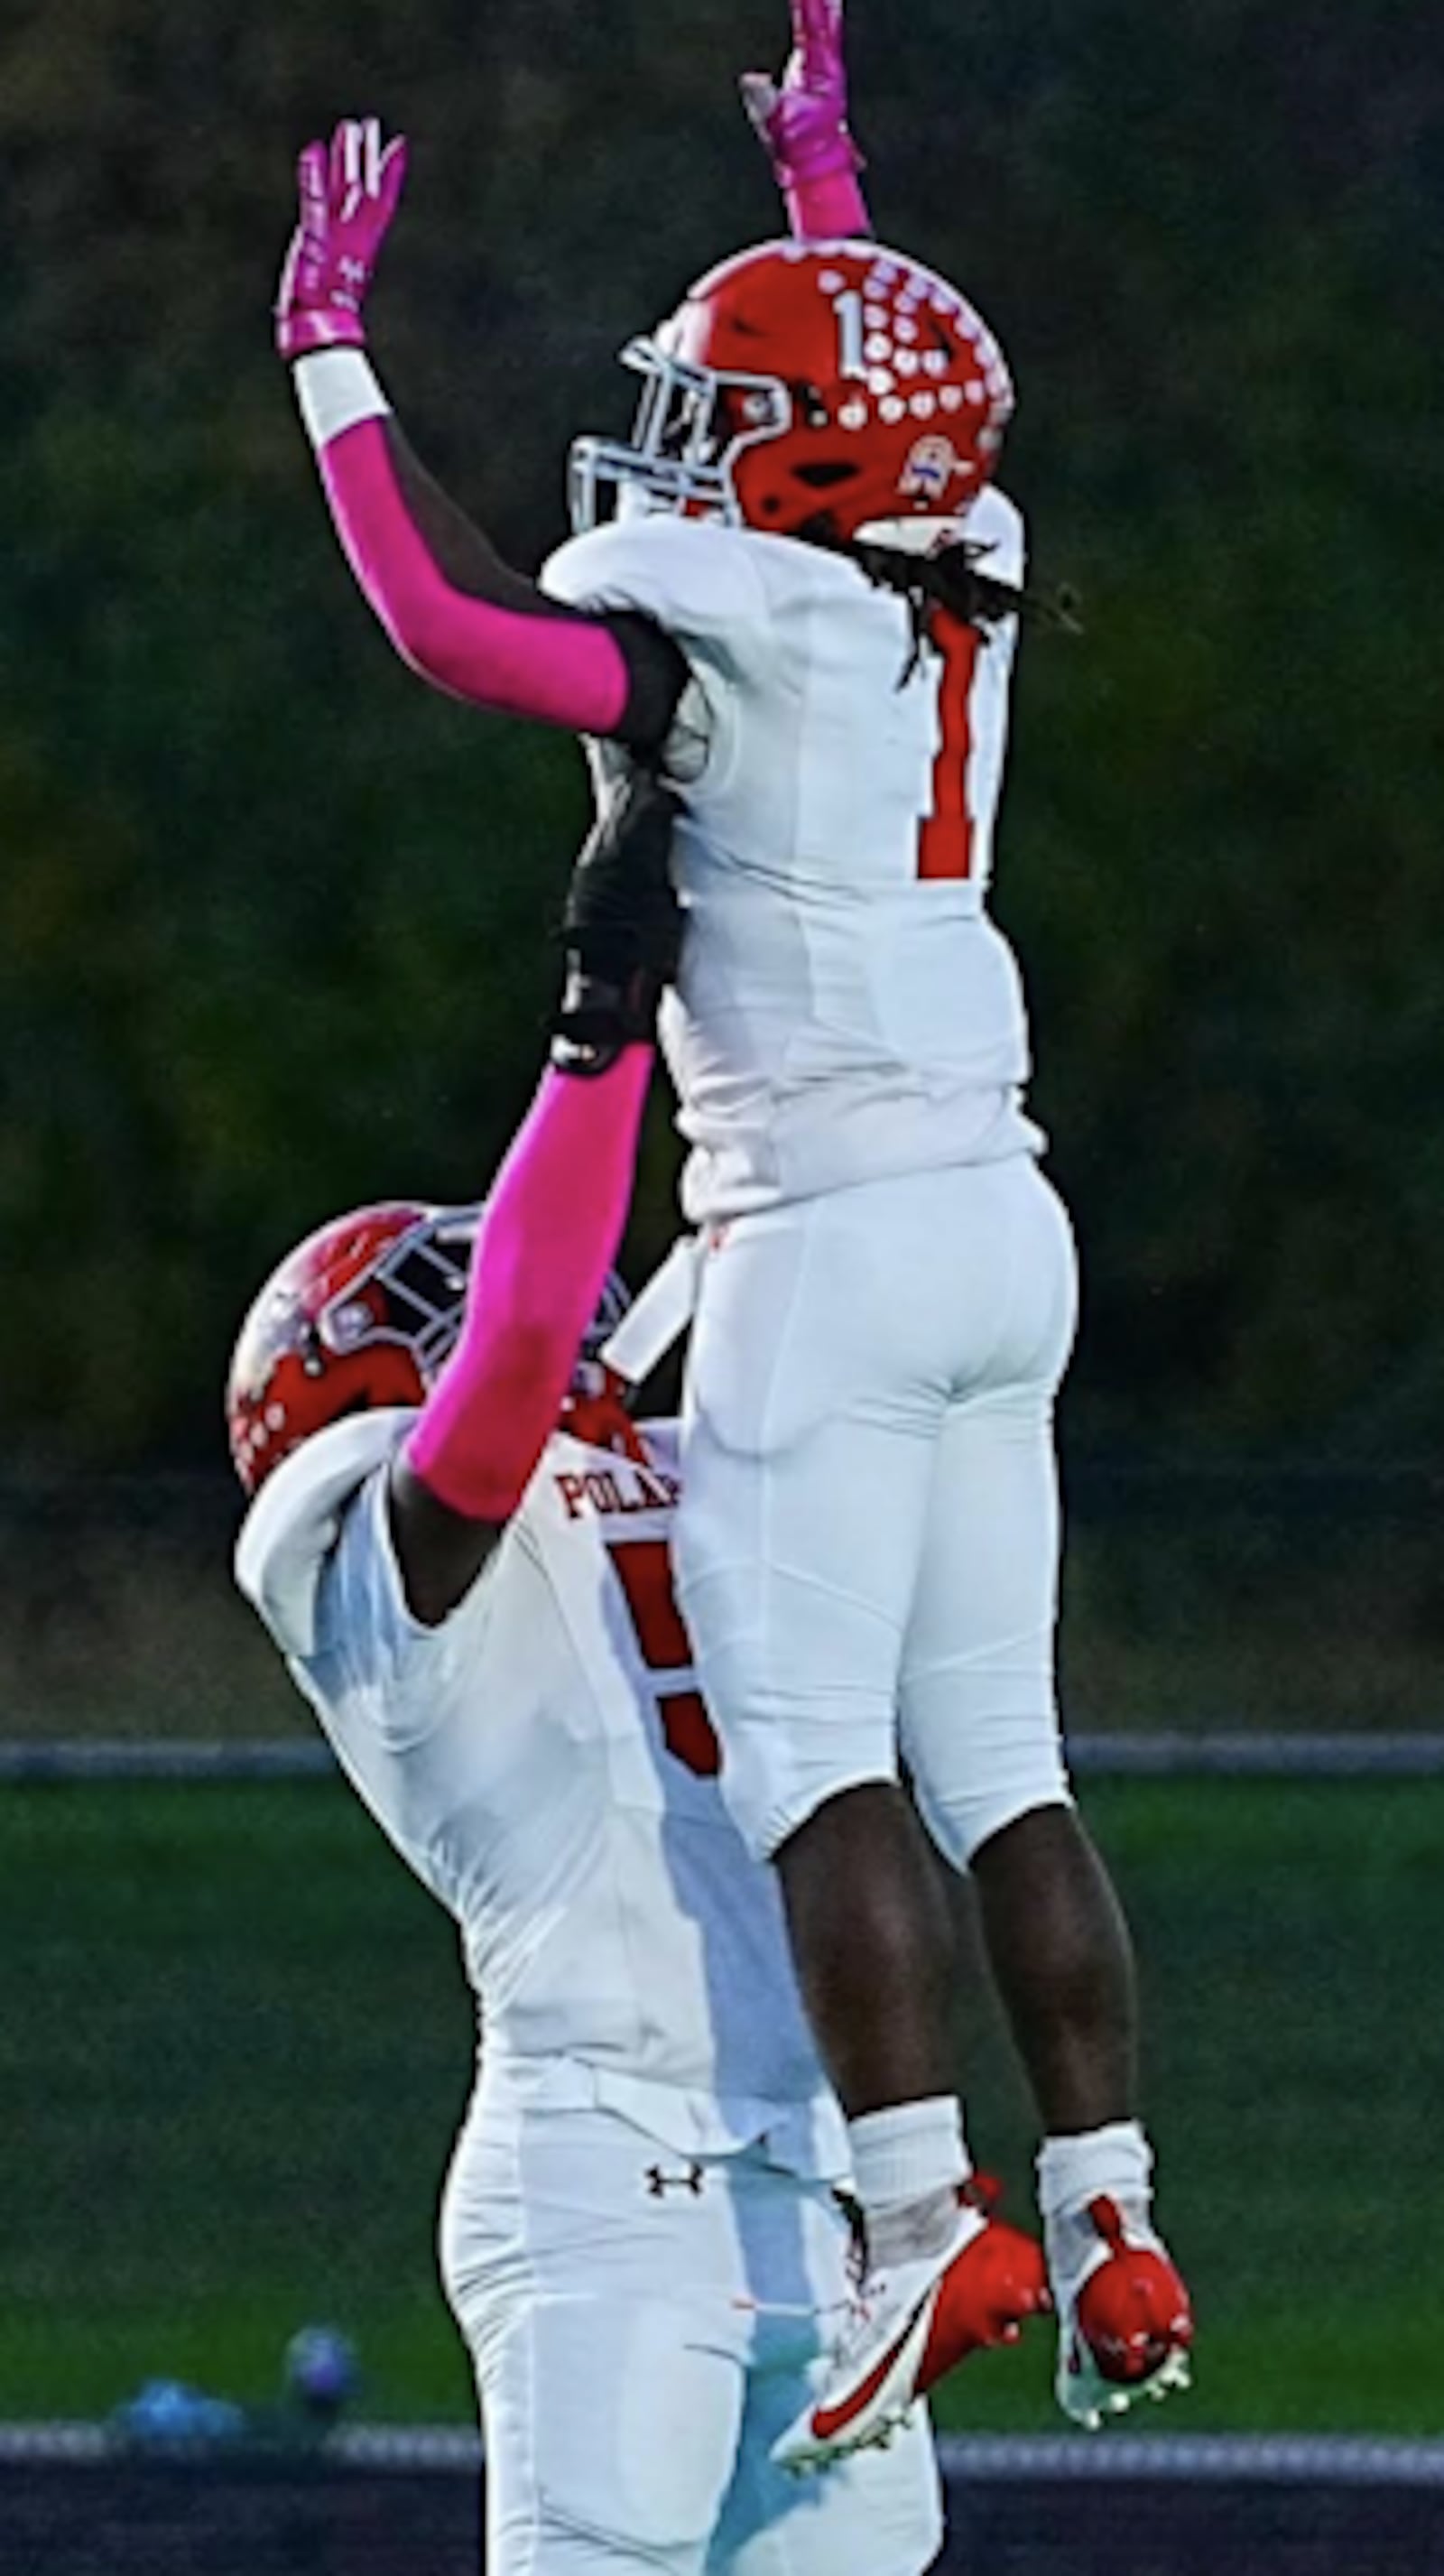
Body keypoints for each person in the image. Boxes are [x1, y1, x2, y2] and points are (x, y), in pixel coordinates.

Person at [269, 0, 1191, 2465]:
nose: (679, 454)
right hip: (1014, 1211)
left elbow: (456, 629)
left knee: (816, 1762)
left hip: (826, 1226)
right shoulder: (952, 555)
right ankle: (1111, 2199)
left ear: (790, 471)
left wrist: (335, 366)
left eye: (717, 423)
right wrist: (830, 189)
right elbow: (873, 404)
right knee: (1007, 1752)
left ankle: (925, 2222)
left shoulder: (739, 628)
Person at [229, 774, 1018, 2575]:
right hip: (603, 2165)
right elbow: (510, 1346)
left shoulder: (679, 1457)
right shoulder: (358, 1549)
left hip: (824, 2185)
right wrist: (597, 1026)